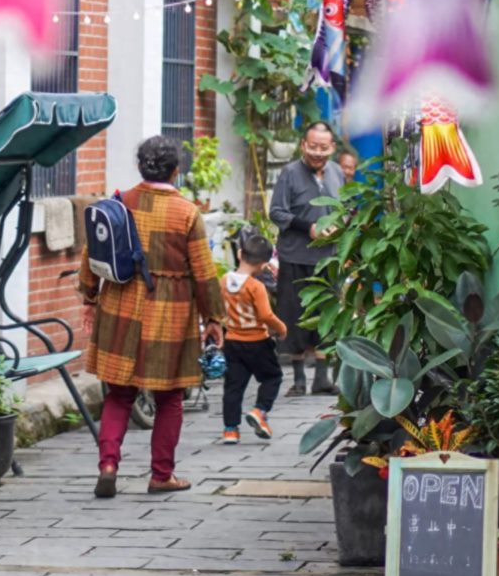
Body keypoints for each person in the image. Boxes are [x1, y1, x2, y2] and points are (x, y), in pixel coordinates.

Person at [79, 135, 225, 498]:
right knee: (170, 397)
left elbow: (91, 256)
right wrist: (214, 319)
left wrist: (90, 298)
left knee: (118, 395)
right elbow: (204, 274)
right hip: (170, 310)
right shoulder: (187, 213)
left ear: (141, 167)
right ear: (176, 171)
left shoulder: (120, 204)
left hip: (119, 304)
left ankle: (108, 466)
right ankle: (161, 475)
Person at [269, 121, 344, 396]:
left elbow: (344, 208)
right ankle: (299, 380)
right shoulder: (289, 173)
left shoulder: (337, 172)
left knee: (327, 316)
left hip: (329, 258)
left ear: (332, 148)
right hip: (296, 256)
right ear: (303, 145)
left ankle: (321, 379)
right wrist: (308, 228)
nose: (317, 153)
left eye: (323, 148)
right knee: (294, 315)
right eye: (312, 146)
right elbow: (276, 212)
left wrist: (341, 223)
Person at [220, 230, 286, 445]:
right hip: (257, 342)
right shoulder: (256, 286)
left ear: (240, 254)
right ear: (264, 265)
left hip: (232, 342)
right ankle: (260, 410)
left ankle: (230, 430)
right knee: (272, 377)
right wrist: (281, 328)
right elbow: (266, 315)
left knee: (233, 386)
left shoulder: (224, 280)